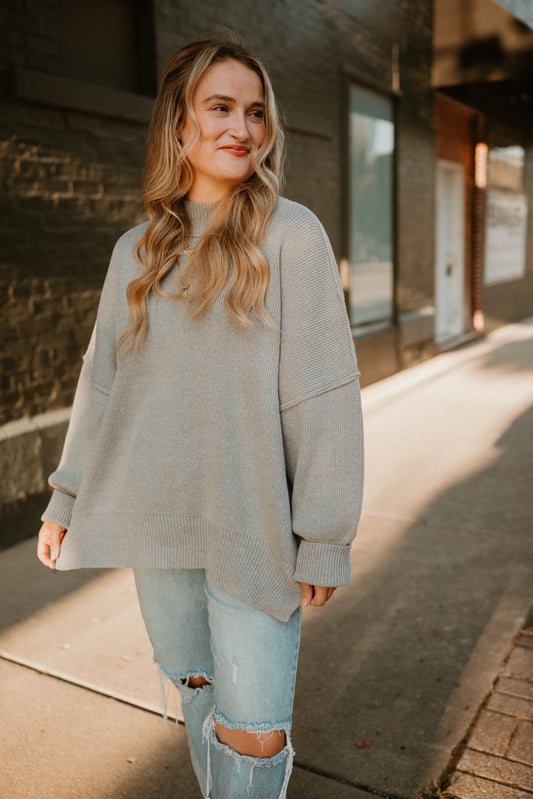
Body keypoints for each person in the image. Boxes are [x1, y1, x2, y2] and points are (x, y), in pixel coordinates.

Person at [37, 30, 364, 799]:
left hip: (253, 524)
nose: (241, 127)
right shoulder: (136, 250)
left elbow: (324, 393)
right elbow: (102, 385)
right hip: (159, 522)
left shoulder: (292, 234)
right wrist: (65, 497)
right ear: (179, 123)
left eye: (255, 111)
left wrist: (324, 534)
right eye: (220, 107)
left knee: (254, 729)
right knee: (197, 691)